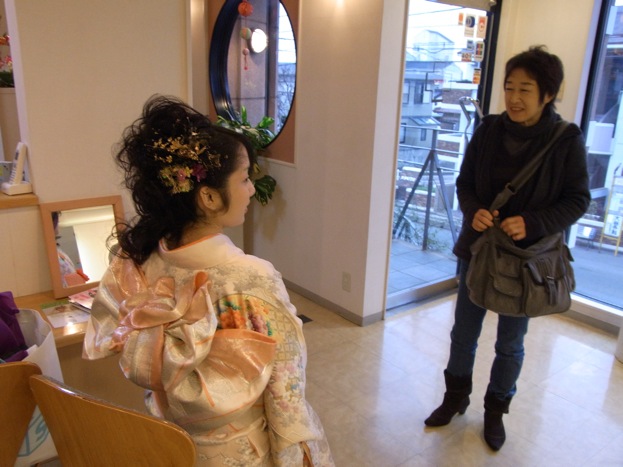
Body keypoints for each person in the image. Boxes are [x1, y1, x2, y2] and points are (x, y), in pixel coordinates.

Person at [83, 95, 334, 466]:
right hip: (238, 451)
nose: (252, 189)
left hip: (166, 439)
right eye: (245, 178)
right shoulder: (249, 278)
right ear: (209, 197)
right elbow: (285, 388)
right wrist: (297, 456)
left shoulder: (138, 259)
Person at [424, 46, 590, 451]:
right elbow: (465, 183)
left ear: (547, 94)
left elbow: (577, 200)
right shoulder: (488, 130)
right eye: (509, 87)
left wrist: (533, 222)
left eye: (525, 90)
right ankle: (455, 398)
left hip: (525, 260)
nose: (514, 98)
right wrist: (474, 211)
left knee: (510, 343)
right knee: (463, 332)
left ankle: (496, 410)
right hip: (480, 250)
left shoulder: (565, 140)